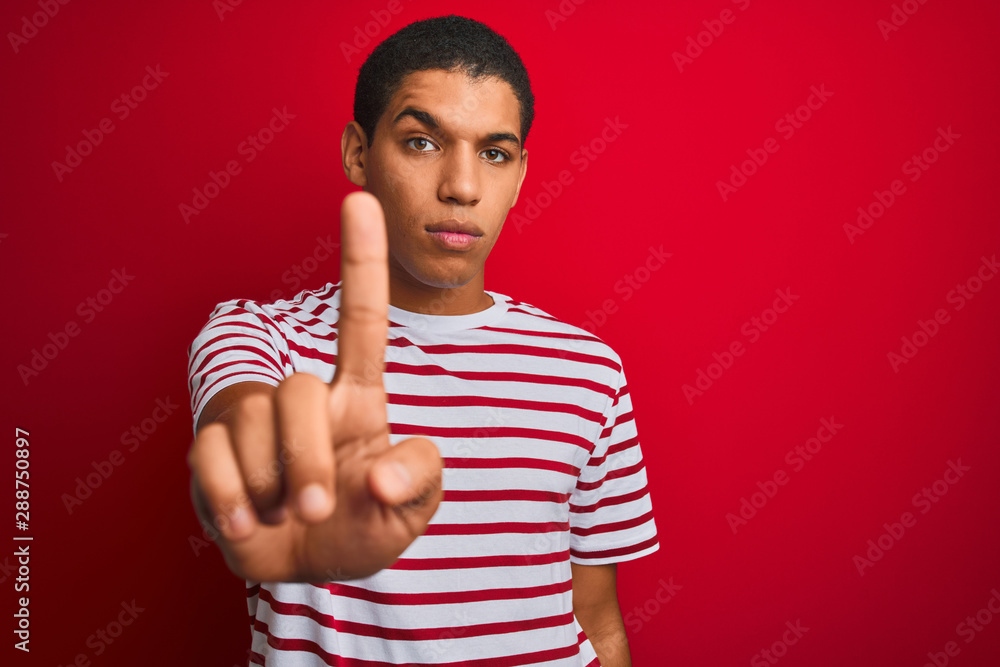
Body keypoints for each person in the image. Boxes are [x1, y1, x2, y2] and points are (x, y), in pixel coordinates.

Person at [186, 14, 657, 666]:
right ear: (359, 152)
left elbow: (596, 616)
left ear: (519, 175)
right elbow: (239, 420)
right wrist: (276, 476)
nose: (462, 187)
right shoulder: (263, 336)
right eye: (422, 142)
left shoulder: (589, 370)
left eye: (494, 153)